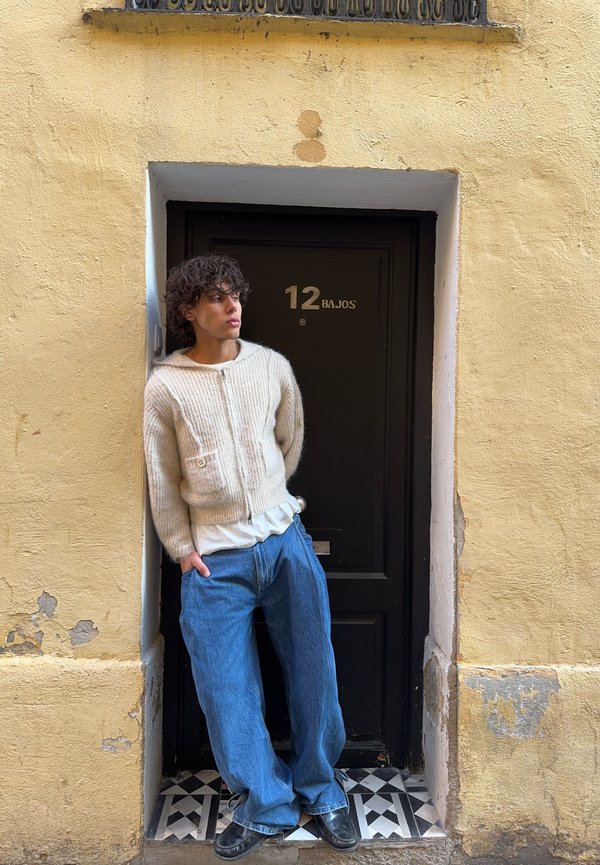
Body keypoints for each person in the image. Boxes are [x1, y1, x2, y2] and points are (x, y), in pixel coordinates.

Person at [143, 253, 358, 860]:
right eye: (215, 297)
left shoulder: (271, 367)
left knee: (315, 671)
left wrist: (266, 506)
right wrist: (183, 549)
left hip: (284, 543)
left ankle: (321, 789)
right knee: (225, 686)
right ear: (189, 311)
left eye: (235, 295)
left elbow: (288, 440)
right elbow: (161, 477)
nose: (232, 306)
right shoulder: (165, 387)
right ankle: (265, 803)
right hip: (214, 563)